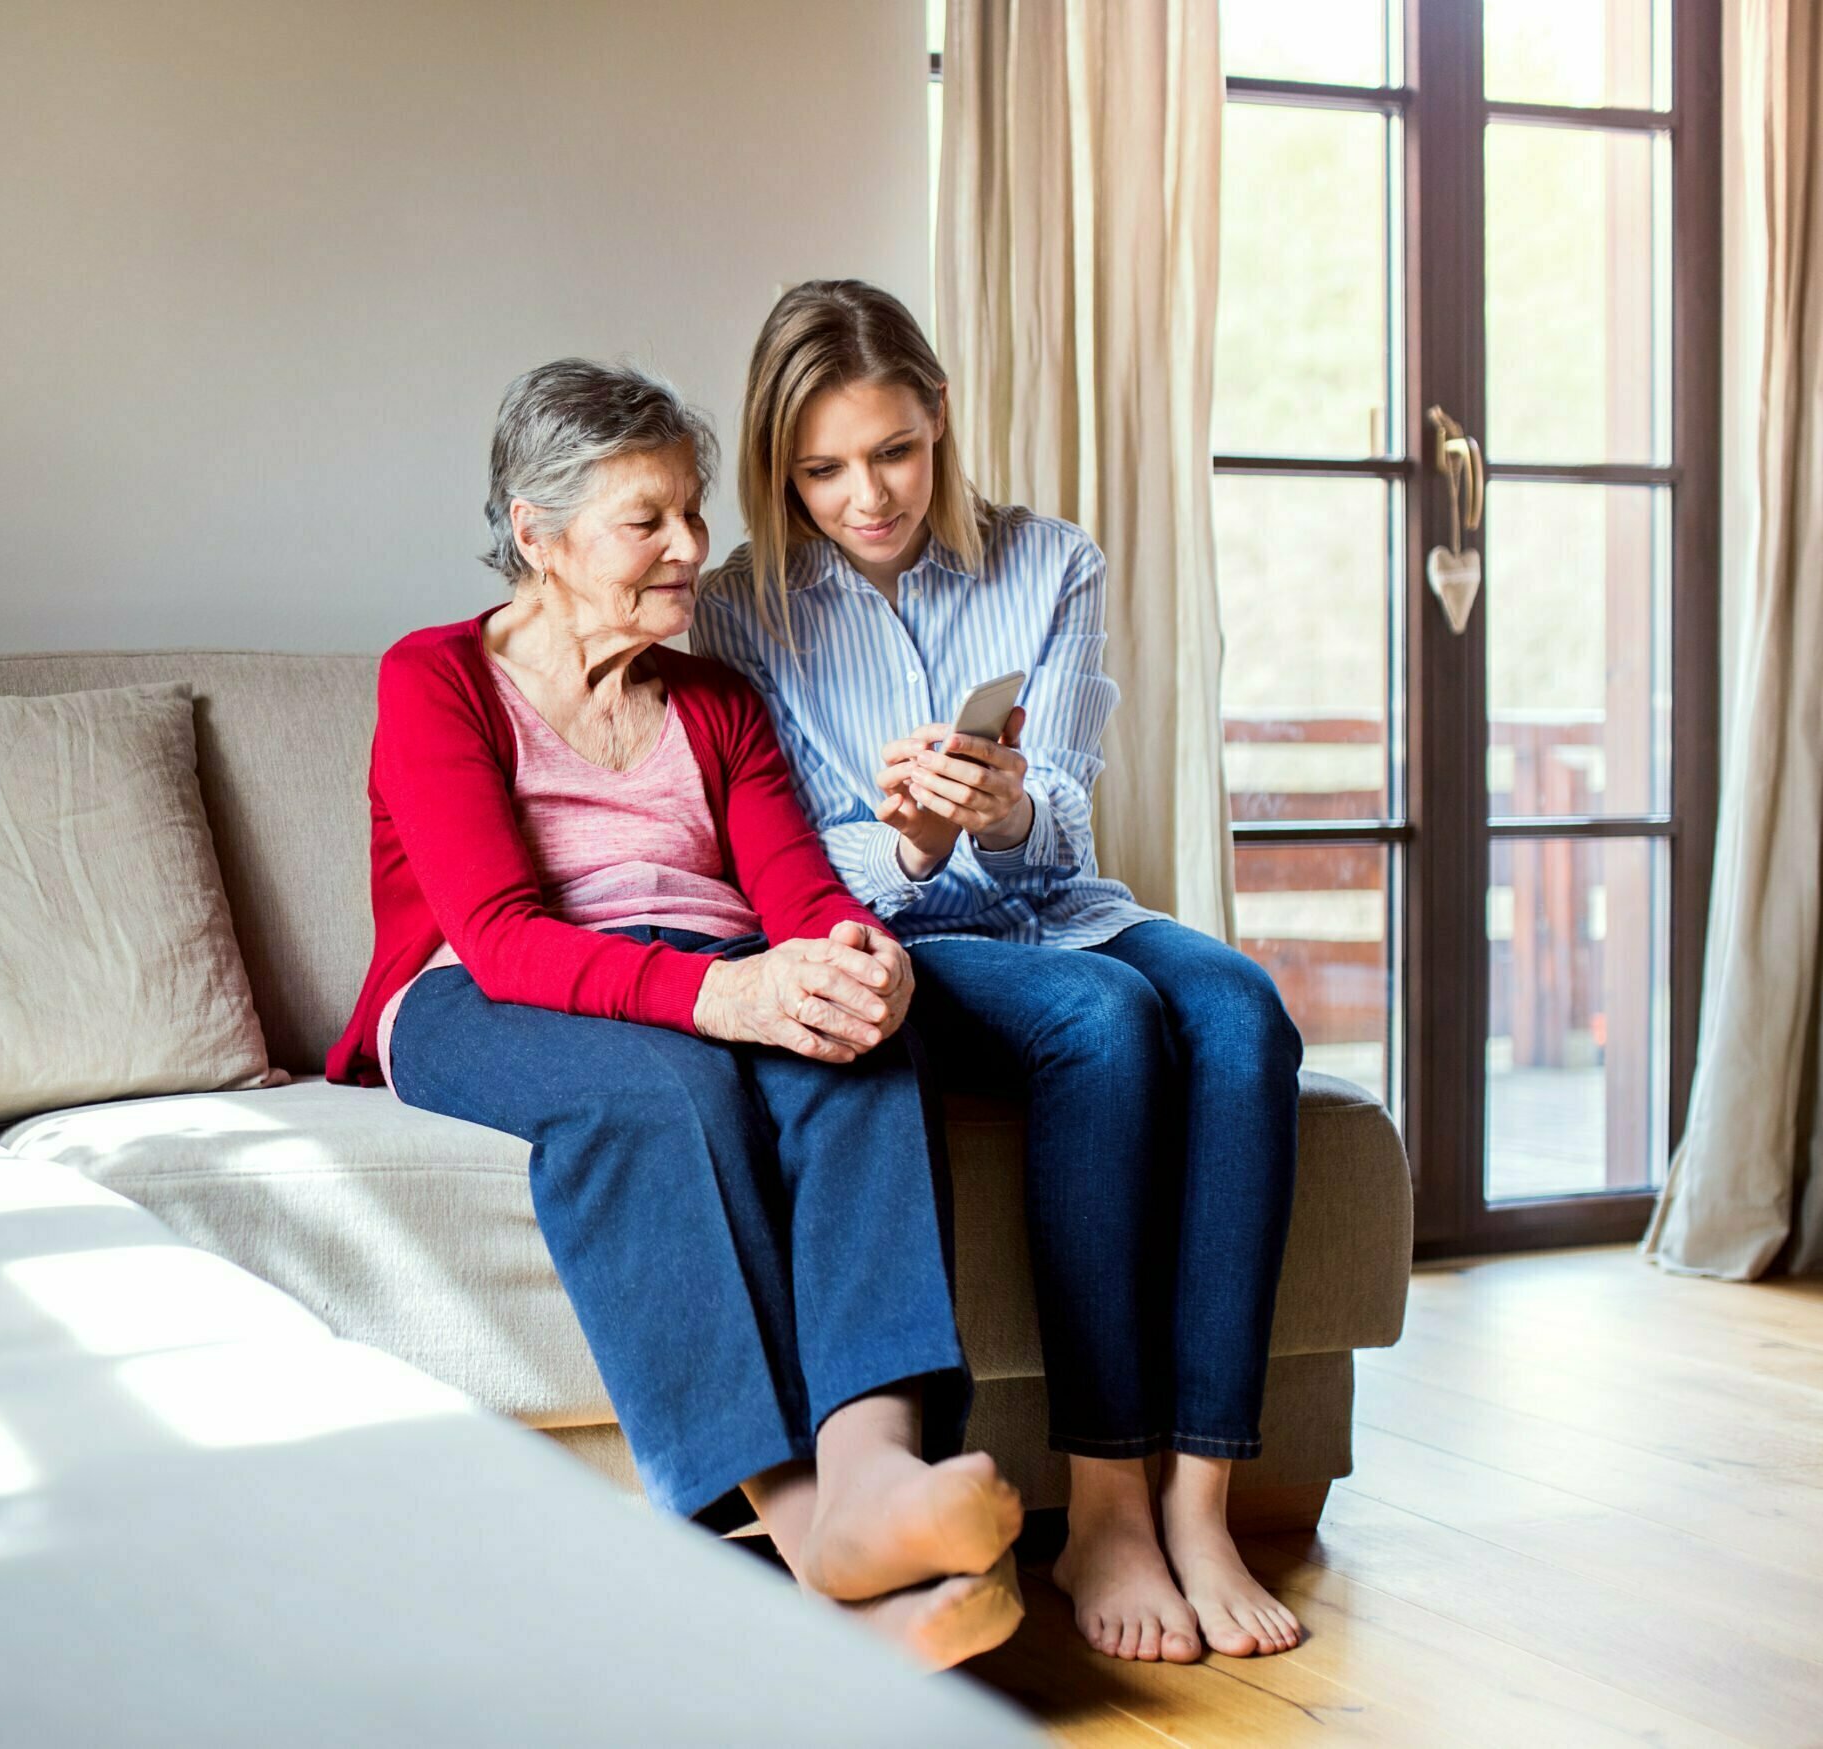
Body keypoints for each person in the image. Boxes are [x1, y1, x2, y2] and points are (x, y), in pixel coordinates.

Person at [327, 359, 1022, 1669]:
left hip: (698, 972)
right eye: (647, 519)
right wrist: (728, 992)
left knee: (864, 1043)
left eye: (692, 511)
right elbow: (501, 935)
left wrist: (854, 961)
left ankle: (876, 1469)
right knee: (663, 1087)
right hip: (478, 995)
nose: (692, 547)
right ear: (536, 535)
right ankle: (810, 1529)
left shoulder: (713, 699)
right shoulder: (435, 679)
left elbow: (801, 895)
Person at [696, 280, 1306, 1663]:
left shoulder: (1053, 563)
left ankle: (1201, 1502)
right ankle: (1102, 1505)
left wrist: (1009, 809)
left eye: (895, 451)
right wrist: (909, 846)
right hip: (903, 938)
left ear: (942, 422)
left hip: (1056, 902)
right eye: (825, 468)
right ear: (781, 467)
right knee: (1105, 1021)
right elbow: (773, 862)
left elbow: (1071, 817)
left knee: (1238, 1009)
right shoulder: (741, 614)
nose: (868, 496)